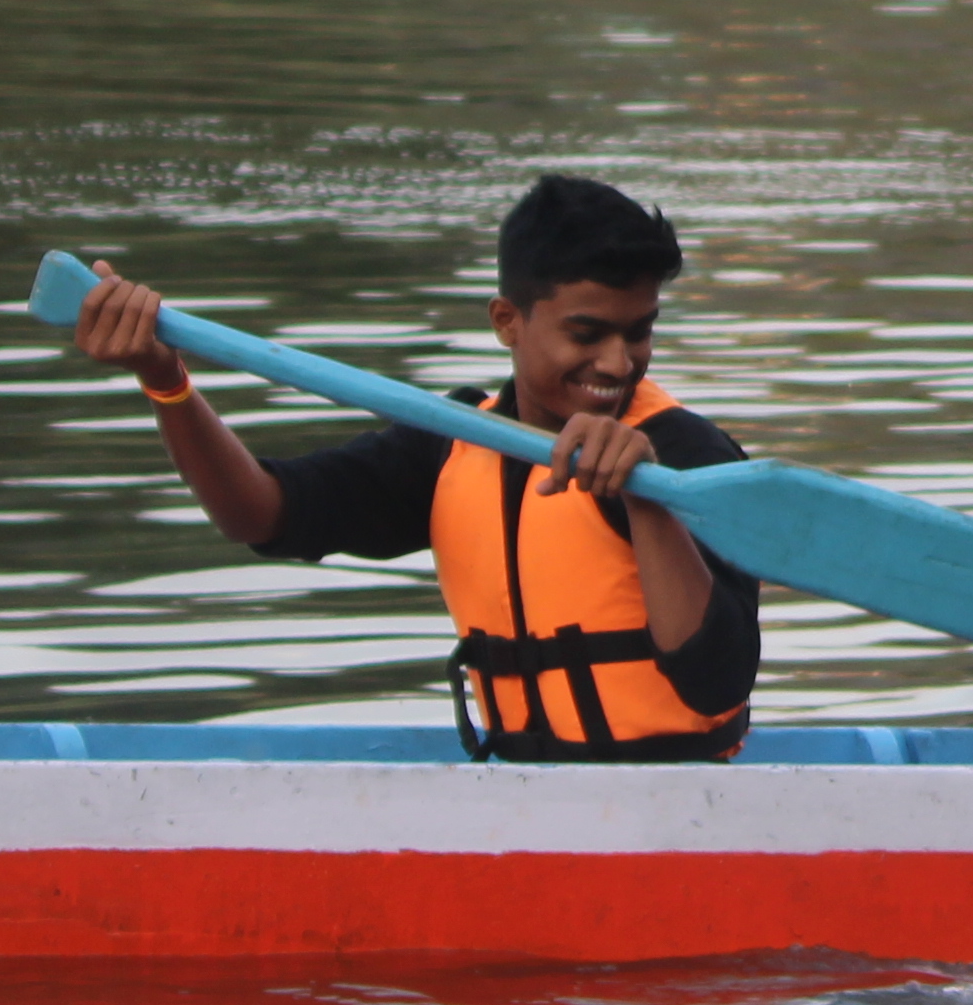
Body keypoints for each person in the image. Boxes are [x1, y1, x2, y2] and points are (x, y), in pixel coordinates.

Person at [61, 175, 761, 761]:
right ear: (507, 321)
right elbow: (263, 515)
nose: (618, 362)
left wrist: (648, 500)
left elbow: (715, 682)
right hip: (519, 810)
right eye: (587, 333)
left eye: (639, 331)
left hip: (678, 806)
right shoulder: (450, 443)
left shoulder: (688, 456)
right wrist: (165, 382)